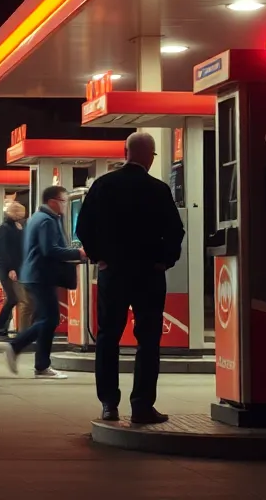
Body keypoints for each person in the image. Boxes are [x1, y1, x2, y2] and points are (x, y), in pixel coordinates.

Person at [76, 131, 185, 424]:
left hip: (113, 273)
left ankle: (109, 404)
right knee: (148, 340)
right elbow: (175, 230)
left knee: (108, 337)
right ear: (149, 156)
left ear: (126, 153)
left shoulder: (103, 185)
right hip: (149, 274)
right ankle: (141, 406)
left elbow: (83, 227)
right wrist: (164, 261)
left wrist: (100, 257)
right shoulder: (158, 189)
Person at [2, 185, 80, 379]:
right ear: (52, 201)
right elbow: (50, 249)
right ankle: (18, 347)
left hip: (35, 275)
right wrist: (78, 253)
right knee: (49, 319)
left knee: (46, 319)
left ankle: (41, 365)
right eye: (63, 201)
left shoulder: (38, 217)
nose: (65, 205)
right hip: (41, 275)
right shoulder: (46, 220)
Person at [0, 201, 32, 340]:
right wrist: (10, 268)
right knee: (19, 299)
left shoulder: (20, 227)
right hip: (9, 269)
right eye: (20, 211)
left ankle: (0, 326)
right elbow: (3, 250)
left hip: (19, 268)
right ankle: (4, 327)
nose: (23, 214)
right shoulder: (4, 228)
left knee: (13, 299)